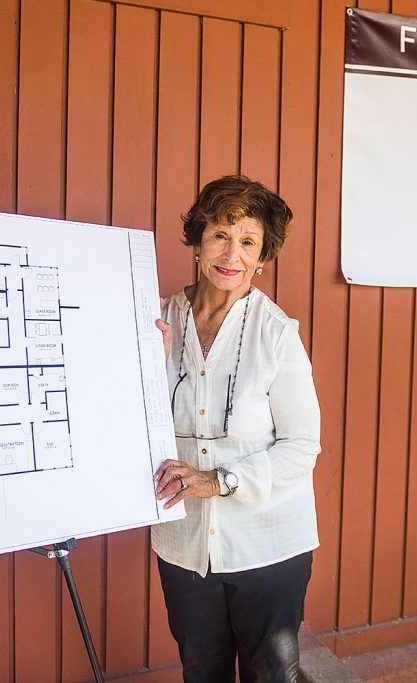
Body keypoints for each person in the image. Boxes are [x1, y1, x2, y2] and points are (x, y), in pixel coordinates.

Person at [152, 175, 321, 683]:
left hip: (267, 545)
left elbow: (301, 447)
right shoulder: (156, 322)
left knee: (271, 675)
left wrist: (217, 481)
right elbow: (131, 424)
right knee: (201, 672)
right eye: (221, 235)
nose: (232, 254)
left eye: (248, 242)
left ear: (262, 256)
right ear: (198, 240)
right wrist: (144, 369)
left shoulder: (277, 334)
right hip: (183, 544)